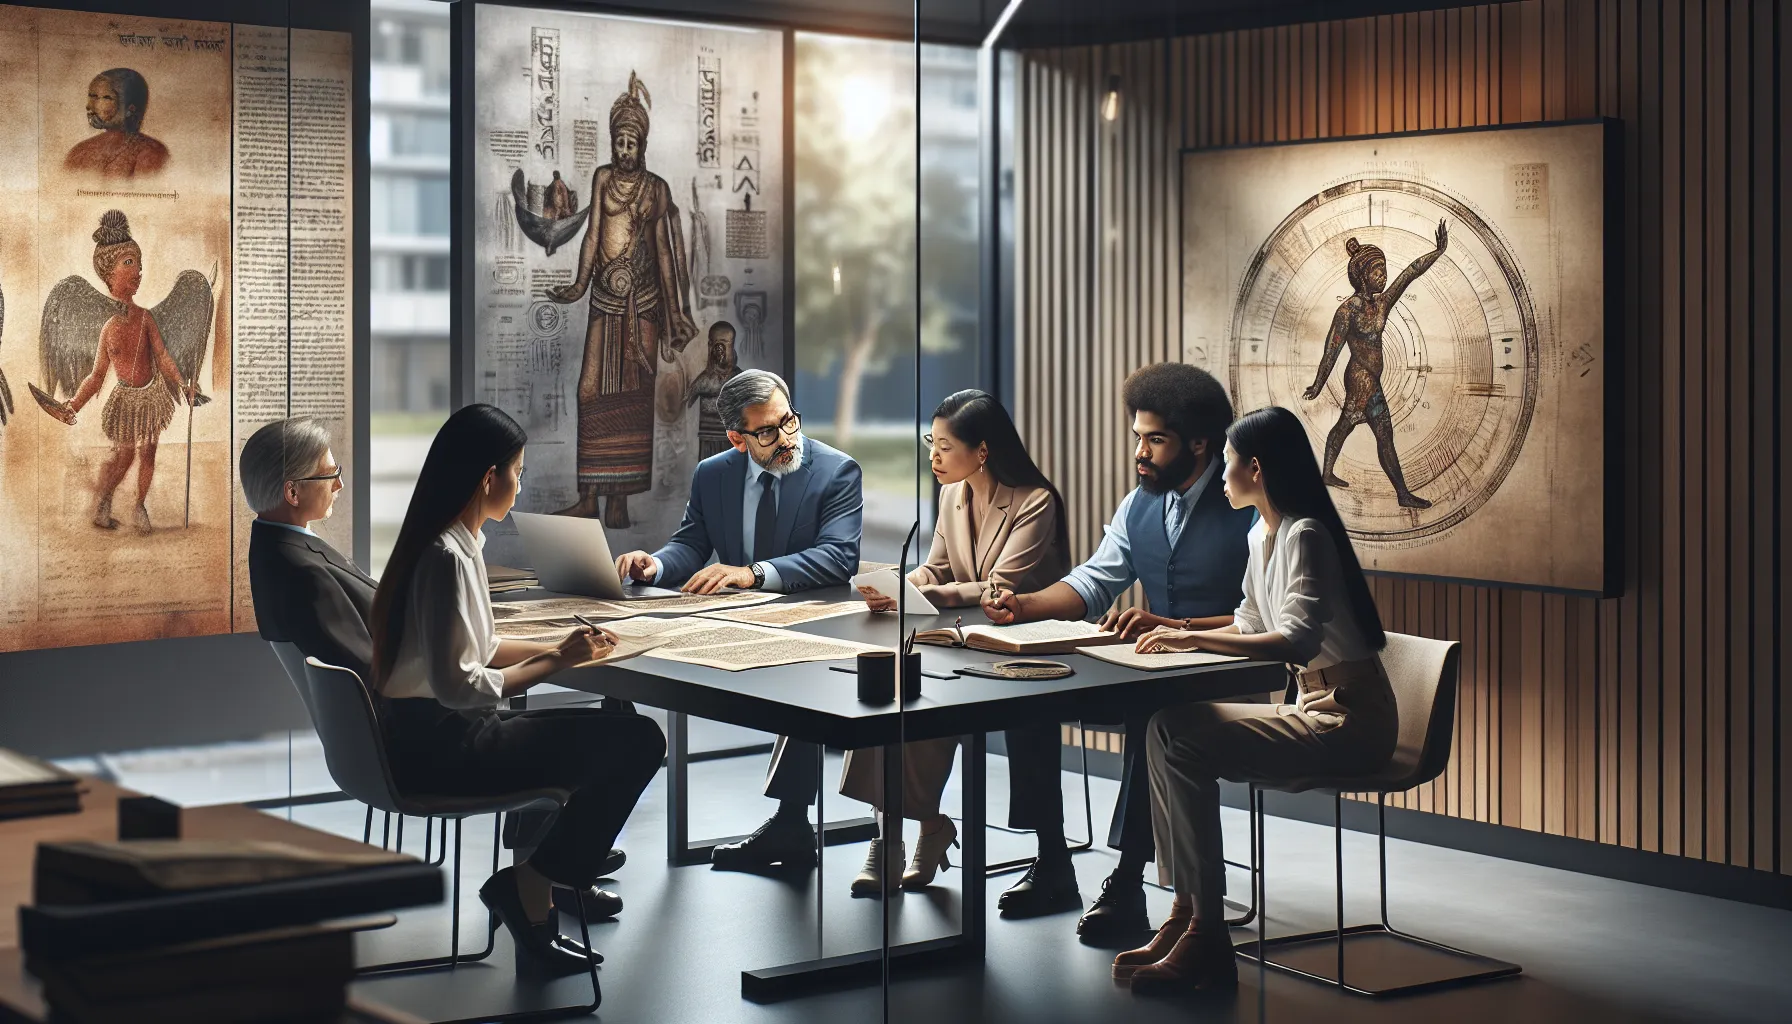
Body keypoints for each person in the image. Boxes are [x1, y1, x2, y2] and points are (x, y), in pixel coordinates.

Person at [370, 404, 666, 975]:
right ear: (489, 478)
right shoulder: (444, 558)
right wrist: (558, 657)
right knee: (639, 742)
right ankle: (532, 881)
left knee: (625, 738)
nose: (520, 483)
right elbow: (463, 686)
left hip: (439, 737)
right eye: (519, 471)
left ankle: (536, 898)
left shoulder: (450, 543)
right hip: (447, 750)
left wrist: (560, 648)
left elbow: (471, 652)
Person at [1114, 406, 1398, 994]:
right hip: (1310, 705)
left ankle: (1208, 935)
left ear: (1257, 468)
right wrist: (1168, 623)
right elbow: (1248, 623)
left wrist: (1187, 636)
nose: (1220, 471)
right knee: (1164, 726)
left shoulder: (1306, 534)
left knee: (1186, 743)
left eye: (1228, 460)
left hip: (1350, 719)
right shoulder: (1262, 533)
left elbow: (1296, 638)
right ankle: (1186, 913)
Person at [981, 363, 1254, 941]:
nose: (1141, 452)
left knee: (1148, 711)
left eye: (1156, 440)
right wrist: (1022, 606)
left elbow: (1269, 620)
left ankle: (1128, 884)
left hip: (1232, 671)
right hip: (1154, 665)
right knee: (1029, 689)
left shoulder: (1250, 507)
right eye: (1139, 437)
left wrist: (1177, 625)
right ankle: (1053, 861)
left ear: (1199, 443)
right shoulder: (1139, 503)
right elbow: (1093, 581)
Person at [614, 369, 862, 872]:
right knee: (617, 669)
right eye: (767, 431)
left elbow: (838, 557)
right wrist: (655, 566)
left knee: (803, 685)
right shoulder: (714, 473)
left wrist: (753, 574)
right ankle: (590, 827)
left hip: (810, 625)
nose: (786, 438)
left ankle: (791, 823)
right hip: (730, 625)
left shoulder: (836, 471)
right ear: (736, 436)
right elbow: (690, 544)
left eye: (788, 421)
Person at [840, 389, 1070, 897]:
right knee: (895, 688)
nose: (933, 456)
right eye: (931, 443)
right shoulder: (952, 495)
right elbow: (937, 566)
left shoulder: (1035, 501)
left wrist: (931, 591)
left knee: (921, 692)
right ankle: (896, 834)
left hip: (1021, 647)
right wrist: (899, 583)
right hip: (961, 637)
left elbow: (1003, 585)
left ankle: (921, 829)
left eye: (944, 446)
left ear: (982, 450)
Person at [546, 70, 698, 527]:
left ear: (643, 145)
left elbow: (667, 254)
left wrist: (676, 313)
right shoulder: (602, 177)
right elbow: (592, 235)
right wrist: (578, 285)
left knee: (633, 397)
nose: (625, 150)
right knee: (590, 390)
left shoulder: (656, 189)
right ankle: (589, 497)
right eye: (619, 142)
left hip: (643, 304)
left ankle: (618, 504)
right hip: (604, 302)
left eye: (632, 143)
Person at [45, 210, 200, 533]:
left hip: (152, 396)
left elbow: (163, 356)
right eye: (129, 263)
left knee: (149, 452)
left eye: (139, 265)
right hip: (125, 402)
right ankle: (104, 501)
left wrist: (182, 384)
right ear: (108, 272)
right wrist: (73, 404)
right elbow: (97, 376)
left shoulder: (145, 318)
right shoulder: (109, 327)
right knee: (125, 455)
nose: (138, 272)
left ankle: (140, 506)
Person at [242, 418, 374, 679]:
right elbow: (370, 673)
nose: (339, 485)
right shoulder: (303, 574)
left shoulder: (277, 546)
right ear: (293, 493)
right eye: (330, 474)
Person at [65, 68, 169, 178]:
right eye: (91, 96)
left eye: (106, 98)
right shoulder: (80, 152)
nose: (89, 106)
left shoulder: (152, 152)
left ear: (131, 109)